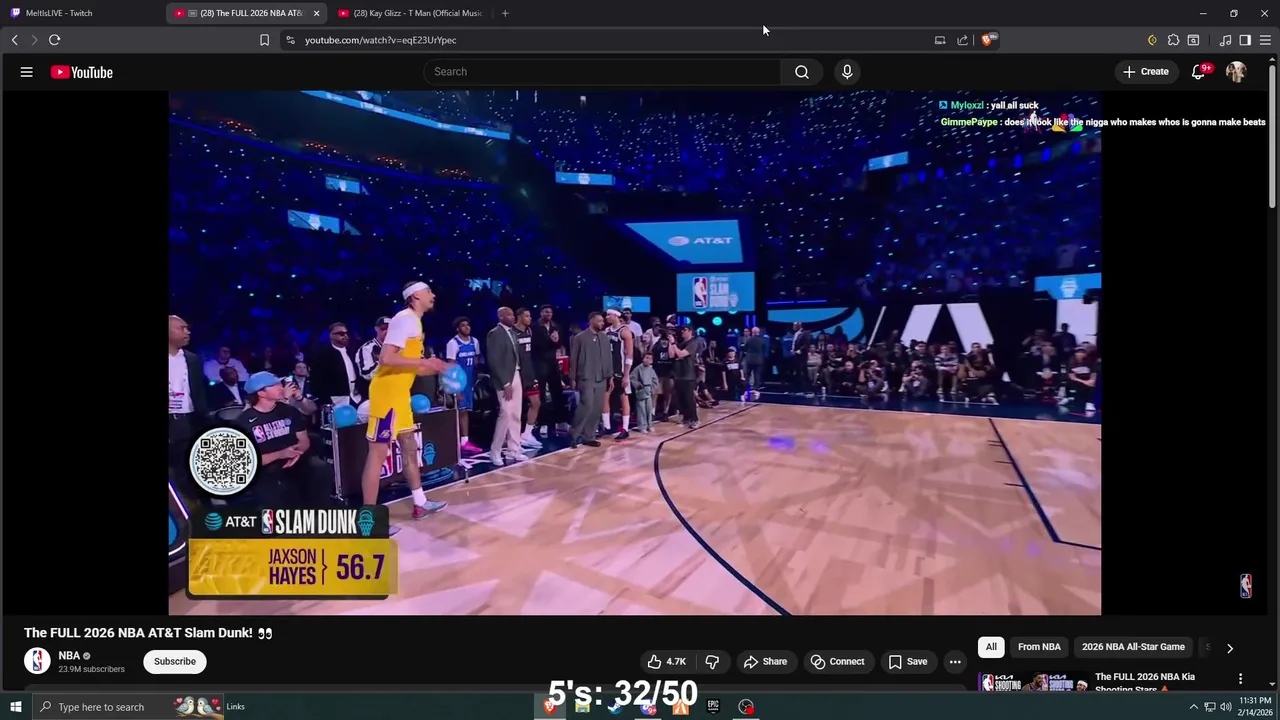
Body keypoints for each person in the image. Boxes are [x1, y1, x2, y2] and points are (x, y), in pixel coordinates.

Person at [362, 282, 452, 534]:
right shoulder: (404, 319)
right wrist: (427, 362)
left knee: (410, 447)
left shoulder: (415, 322)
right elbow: (386, 358)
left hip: (401, 393)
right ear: (415, 296)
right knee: (377, 455)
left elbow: (411, 366)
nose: (433, 294)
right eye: (429, 291)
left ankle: (420, 503)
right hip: (387, 394)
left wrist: (438, 367)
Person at [237, 372, 331, 508]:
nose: (281, 387)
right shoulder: (244, 421)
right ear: (261, 393)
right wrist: (280, 454)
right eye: (274, 385)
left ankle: (317, 513)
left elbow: (304, 440)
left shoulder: (290, 411)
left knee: (320, 470)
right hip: (266, 468)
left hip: (296, 460)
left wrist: (296, 453)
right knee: (277, 493)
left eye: (279, 384)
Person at [486, 307, 529, 467]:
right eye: (509, 315)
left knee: (516, 414)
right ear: (501, 317)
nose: (513, 317)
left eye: (512, 314)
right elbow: (494, 361)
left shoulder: (512, 333)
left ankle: (514, 450)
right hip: (505, 379)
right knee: (505, 414)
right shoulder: (495, 333)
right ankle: (495, 451)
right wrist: (505, 382)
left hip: (516, 374)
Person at [169, 316, 208, 482]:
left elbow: (199, 391)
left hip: (189, 420)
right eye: (182, 328)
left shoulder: (192, 359)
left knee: (186, 469)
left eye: (187, 328)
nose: (187, 332)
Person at [570, 311, 612, 447]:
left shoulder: (604, 338)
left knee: (596, 408)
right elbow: (573, 359)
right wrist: (572, 378)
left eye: (602, 321)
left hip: (601, 377)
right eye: (599, 321)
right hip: (586, 376)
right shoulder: (580, 338)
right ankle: (574, 434)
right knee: (586, 405)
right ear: (591, 321)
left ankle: (589, 436)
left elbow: (608, 357)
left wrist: (610, 376)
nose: (602, 323)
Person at [445, 317, 483, 454]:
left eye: (468, 325)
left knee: (466, 410)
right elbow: (451, 366)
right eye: (463, 325)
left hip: (470, 382)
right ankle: (459, 441)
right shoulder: (453, 343)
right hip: (459, 383)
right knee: (460, 411)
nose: (467, 327)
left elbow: (476, 360)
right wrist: (456, 388)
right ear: (457, 328)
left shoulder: (475, 341)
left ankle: (464, 441)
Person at [532, 305, 568, 436]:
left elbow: (560, 343)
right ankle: (542, 423)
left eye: (551, 312)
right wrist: (550, 340)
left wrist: (556, 341)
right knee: (541, 395)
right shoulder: (534, 327)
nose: (549, 314)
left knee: (557, 392)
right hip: (539, 363)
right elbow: (534, 345)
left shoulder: (556, 326)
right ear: (541, 313)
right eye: (546, 312)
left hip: (552, 362)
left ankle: (561, 421)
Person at [513, 308, 543, 450]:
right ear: (519, 317)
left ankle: (527, 434)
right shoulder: (512, 332)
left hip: (529, 373)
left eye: (530, 316)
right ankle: (513, 437)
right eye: (526, 316)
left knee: (536, 403)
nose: (530, 318)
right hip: (516, 373)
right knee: (515, 408)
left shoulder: (530, 331)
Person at [602, 308, 635, 440]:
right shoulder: (606, 331)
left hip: (620, 370)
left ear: (616, 316)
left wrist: (626, 375)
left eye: (609, 315)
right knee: (605, 397)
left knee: (623, 397)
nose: (606, 317)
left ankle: (625, 429)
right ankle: (606, 427)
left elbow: (629, 354)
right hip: (608, 370)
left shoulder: (625, 331)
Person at [670, 325, 700, 428]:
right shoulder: (681, 343)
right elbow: (671, 355)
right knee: (681, 398)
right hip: (678, 374)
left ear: (690, 331)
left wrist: (673, 343)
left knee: (688, 398)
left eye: (685, 330)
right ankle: (686, 418)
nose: (682, 331)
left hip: (688, 374)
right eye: (682, 330)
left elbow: (681, 354)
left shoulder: (693, 342)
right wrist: (670, 343)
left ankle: (694, 419)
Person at [354, 316, 390, 400]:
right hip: (373, 397)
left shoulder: (400, 348)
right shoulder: (367, 348)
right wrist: (385, 362)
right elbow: (366, 373)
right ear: (376, 329)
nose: (387, 331)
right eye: (383, 328)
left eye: (390, 329)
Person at [630, 351, 659, 433]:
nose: (648, 360)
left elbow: (655, 380)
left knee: (649, 409)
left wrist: (652, 388)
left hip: (648, 391)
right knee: (641, 410)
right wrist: (638, 385)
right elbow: (632, 378)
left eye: (650, 358)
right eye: (646, 358)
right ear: (643, 359)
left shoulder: (651, 369)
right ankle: (642, 426)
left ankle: (649, 425)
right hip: (641, 391)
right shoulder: (638, 368)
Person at [741, 327, 768, 393]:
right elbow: (764, 349)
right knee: (757, 374)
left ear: (752, 332)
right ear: (758, 332)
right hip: (759, 359)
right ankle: (756, 387)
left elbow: (745, 348)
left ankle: (746, 386)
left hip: (749, 359)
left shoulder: (749, 339)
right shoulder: (762, 340)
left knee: (747, 374)